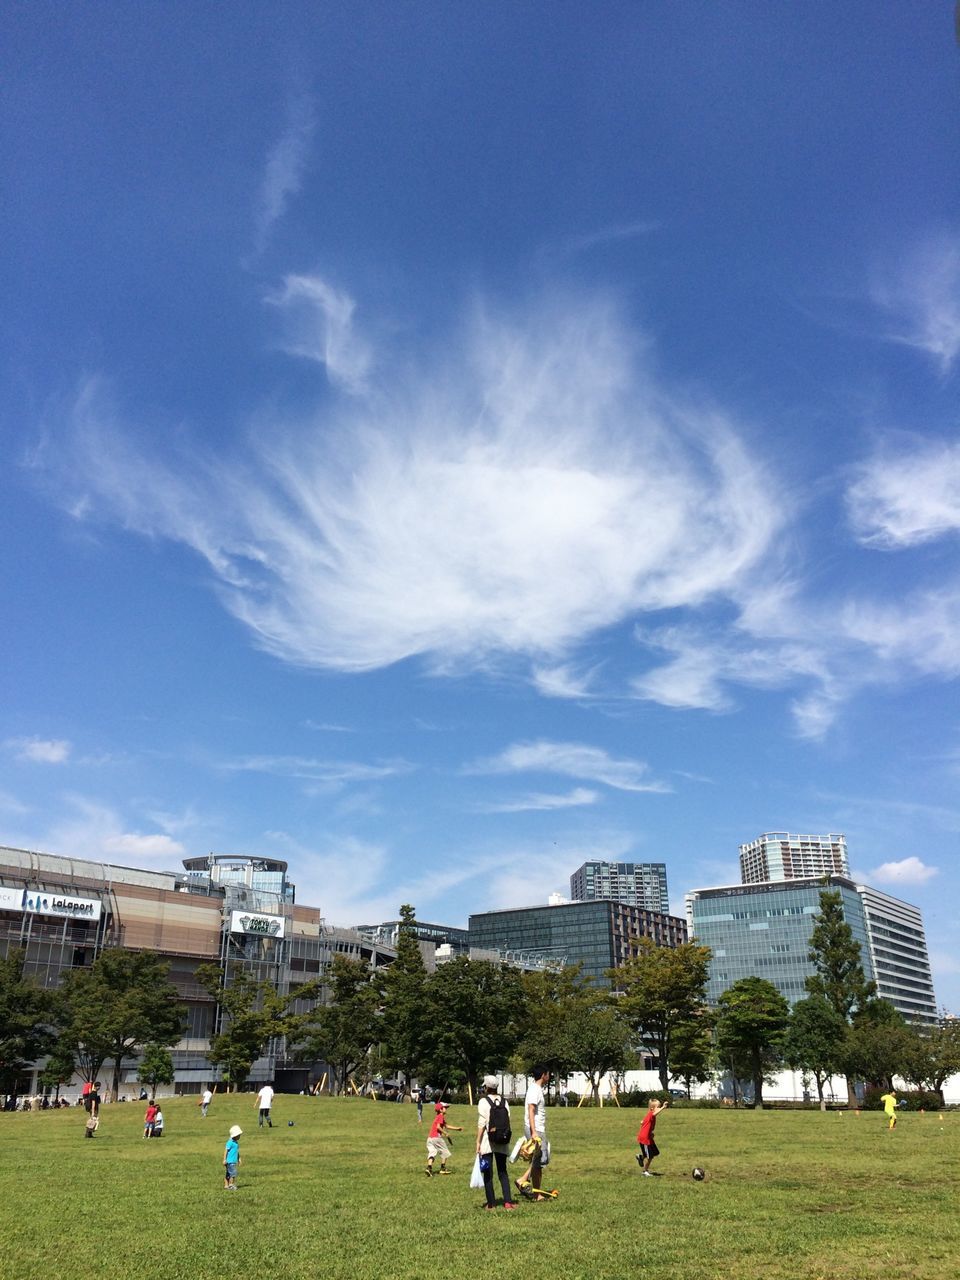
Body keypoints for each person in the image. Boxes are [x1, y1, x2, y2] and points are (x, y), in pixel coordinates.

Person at [476, 1075, 517, 1210]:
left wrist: (478, 1142)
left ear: (487, 1087)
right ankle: (508, 1202)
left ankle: (491, 1203)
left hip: (488, 1140)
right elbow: (508, 1120)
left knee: (488, 1172)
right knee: (502, 1171)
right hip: (502, 1139)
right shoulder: (505, 1102)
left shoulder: (483, 1102)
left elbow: (482, 1124)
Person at [515, 1066, 551, 1201]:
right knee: (539, 1161)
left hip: (538, 1128)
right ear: (543, 1075)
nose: (549, 1076)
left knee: (537, 1160)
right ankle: (534, 1192)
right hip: (536, 1129)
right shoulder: (534, 1089)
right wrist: (534, 1131)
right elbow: (531, 1109)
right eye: (548, 1073)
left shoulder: (536, 1089)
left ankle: (526, 1183)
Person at [425, 1101, 462, 1176]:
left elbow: (447, 1126)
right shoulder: (441, 1116)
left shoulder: (438, 1116)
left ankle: (429, 1168)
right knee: (445, 1151)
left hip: (430, 1139)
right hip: (436, 1137)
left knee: (432, 1152)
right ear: (441, 1109)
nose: (446, 1109)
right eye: (445, 1108)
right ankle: (443, 1168)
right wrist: (445, 1133)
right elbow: (438, 1127)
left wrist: (457, 1128)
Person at [636, 1097, 669, 1175]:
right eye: (658, 1107)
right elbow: (654, 1113)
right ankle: (645, 1171)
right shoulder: (651, 1114)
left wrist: (650, 1132)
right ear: (651, 1108)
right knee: (650, 1156)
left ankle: (641, 1157)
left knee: (655, 1152)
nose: (659, 1108)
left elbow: (643, 1122)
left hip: (648, 1137)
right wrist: (663, 1107)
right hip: (645, 1139)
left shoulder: (650, 1115)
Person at [224, 1124, 242, 1189]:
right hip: (230, 1161)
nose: (240, 1136)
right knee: (233, 1173)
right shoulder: (230, 1142)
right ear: (235, 1135)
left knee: (228, 1173)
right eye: (239, 1135)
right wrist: (224, 1159)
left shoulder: (236, 1143)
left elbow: (237, 1152)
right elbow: (226, 1151)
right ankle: (231, 1184)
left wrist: (239, 1159)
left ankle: (226, 1185)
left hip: (233, 1161)